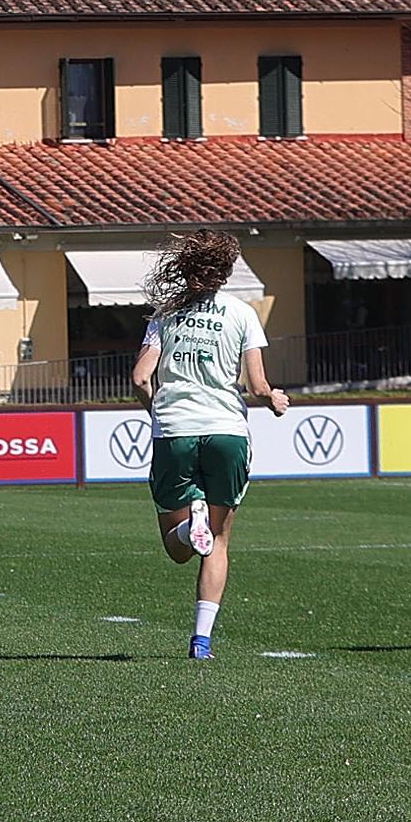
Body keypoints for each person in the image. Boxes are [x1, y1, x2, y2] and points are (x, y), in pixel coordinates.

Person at [130, 232, 286, 661]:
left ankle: (187, 526)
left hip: (176, 431)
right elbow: (257, 385)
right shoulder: (242, 313)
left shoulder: (166, 314)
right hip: (228, 432)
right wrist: (273, 399)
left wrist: (156, 412)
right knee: (218, 540)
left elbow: (141, 377)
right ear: (226, 273)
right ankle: (201, 640)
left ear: (185, 269)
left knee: (176, 548)